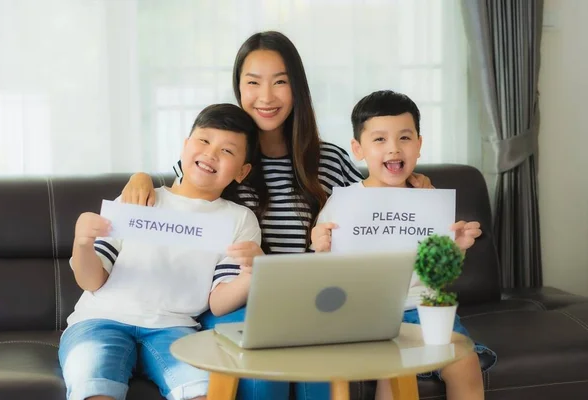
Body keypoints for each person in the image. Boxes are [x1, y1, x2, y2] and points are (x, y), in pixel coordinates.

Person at [121, 31, 434, 400]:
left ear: (296, 88)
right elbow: (178, 196)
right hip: (235, 303)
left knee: (318, 363)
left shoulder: (329, 161)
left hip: (312, 301)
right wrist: (140, 176)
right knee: (258, 354)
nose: (266, 97)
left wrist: (417, 190)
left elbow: (378, 200)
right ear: (239, 88)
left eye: (280, 82)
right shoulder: (223, 155)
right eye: (253, 83)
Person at [58, 104, 261, 400]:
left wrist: (251, 274)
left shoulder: (239, 219)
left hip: (174, 329)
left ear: (242, 172)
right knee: (95, 391)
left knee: (204, 393)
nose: (211, 154)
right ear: (185, 146)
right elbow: (91, 281)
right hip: (101, 320)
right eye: (203, 141)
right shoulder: (141, 197)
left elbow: (218, 303)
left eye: (228, 151)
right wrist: (82, 243)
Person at [311, 90, 497, 400]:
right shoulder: (343, 203)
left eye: (405, 138)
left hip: (423, 309)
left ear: (419, 145)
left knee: (465, 363)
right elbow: (325, 279)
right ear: (358, 149)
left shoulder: (429, 201)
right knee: (395, 373)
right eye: (380, 139)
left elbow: (439, 275)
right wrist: (321, 246)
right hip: (366, 313)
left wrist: (457, 246)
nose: (394, 148)